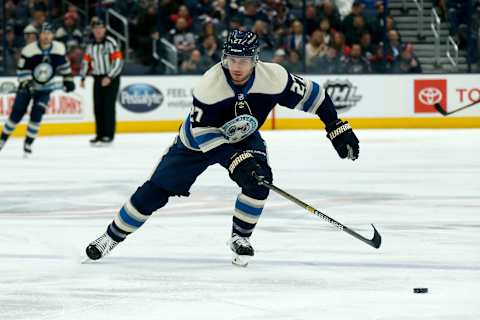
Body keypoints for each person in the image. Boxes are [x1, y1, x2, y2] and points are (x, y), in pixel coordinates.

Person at [85, 30, 360, 267]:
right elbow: (202, 132)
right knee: (155, 192)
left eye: (243, 61)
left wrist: (335, 126)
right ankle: (110, 237)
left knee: (260, 181)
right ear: (223, 58)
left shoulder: (273, 77)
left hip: (244, 135)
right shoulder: (209, 86)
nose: (236, 67)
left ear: (255, 60)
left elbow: (315, 95)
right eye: (231, 60)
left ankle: (241, 237)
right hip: (196, 143)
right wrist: (235, 160)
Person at [0, 23, 75, 155]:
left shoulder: (59, 48)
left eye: (49, 33)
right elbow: (22, 70)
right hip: (27, 88)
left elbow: (64, 66)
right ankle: (3, 139)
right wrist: (28, 84)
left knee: (37, 114)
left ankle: (28, 142)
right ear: (39, 35)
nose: (46, 36)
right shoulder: (29, 50)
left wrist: (68, 80)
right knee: (16, 114)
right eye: (44, 33)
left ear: (53, 35)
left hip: (45, 89)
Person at [80, 19, 124, 146]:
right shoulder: (90, 46)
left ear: (105, 30)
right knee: (98, 107)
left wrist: (109, 77)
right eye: (96, 29)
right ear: (93, 31)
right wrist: (82, 77)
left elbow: (118, 61)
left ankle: (108, 135)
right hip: (97, 78)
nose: (98, 31)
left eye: (101, 28)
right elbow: (86, 62)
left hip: (111, 78)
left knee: (108, 106)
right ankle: (99, 134)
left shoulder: (111, 43)